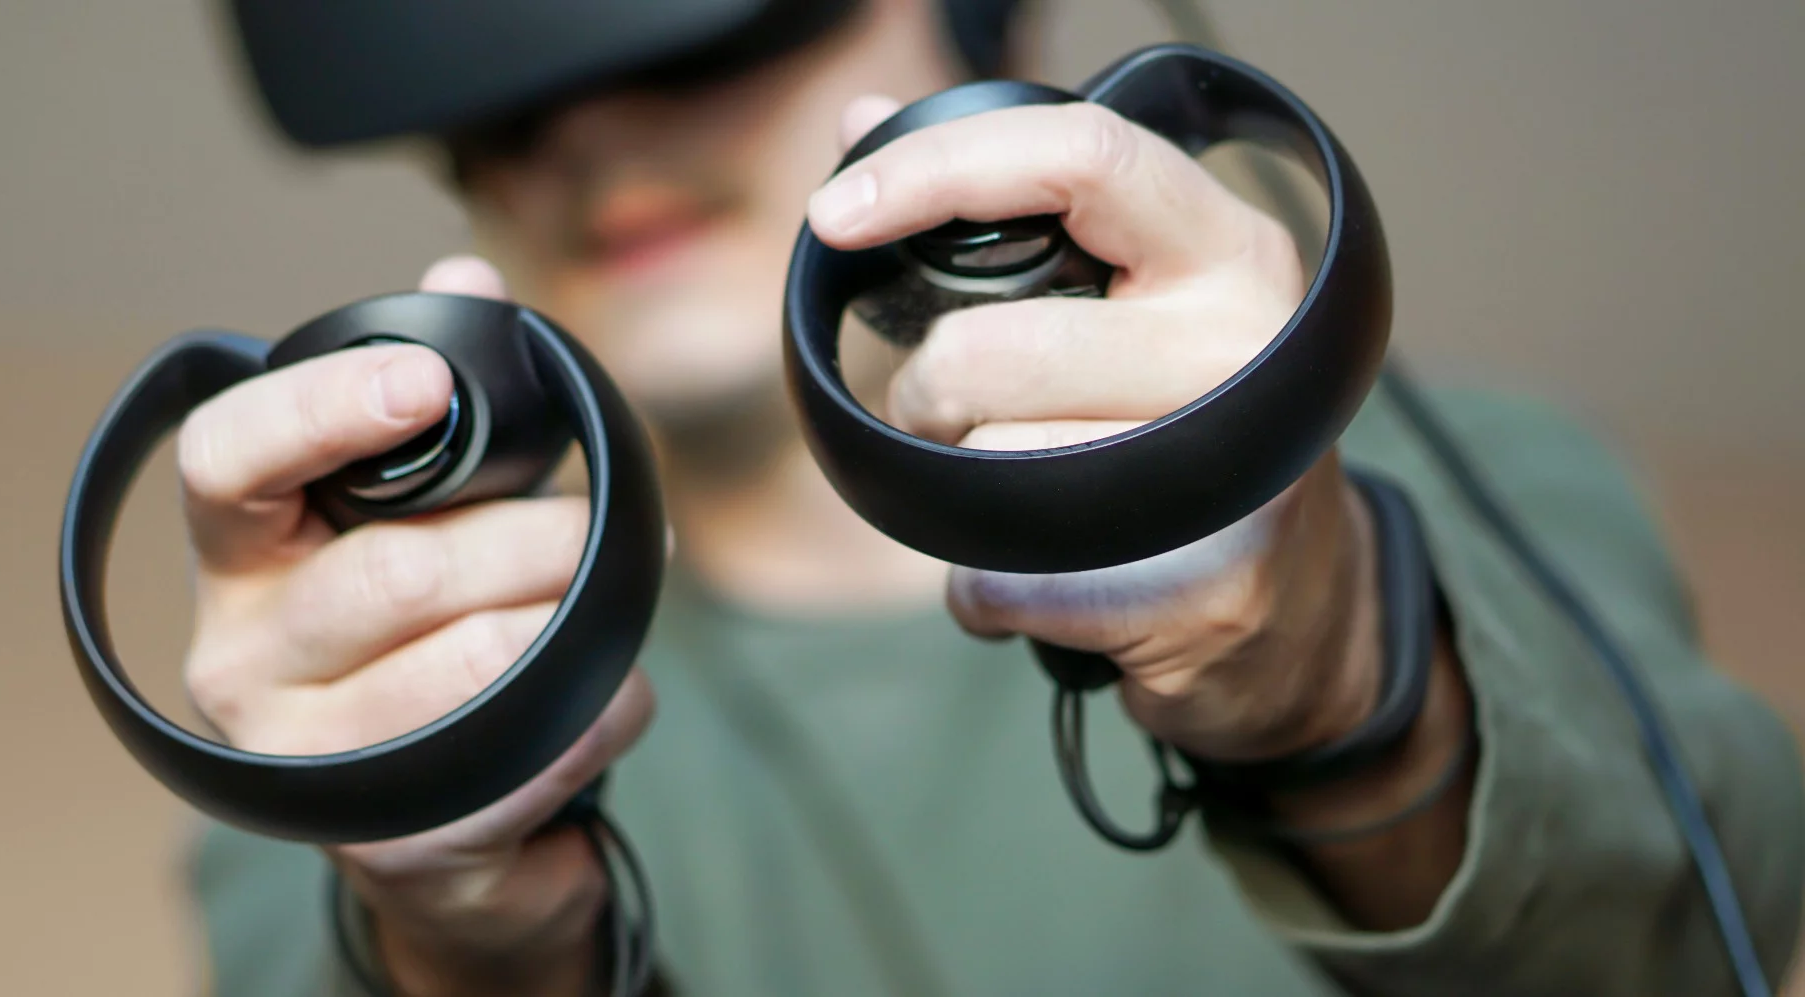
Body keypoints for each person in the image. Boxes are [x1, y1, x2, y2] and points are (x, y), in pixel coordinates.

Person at [178, 0, 1803, 994]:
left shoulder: (1479, 486)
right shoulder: (358, 723)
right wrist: (463, 949)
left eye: (708, 38)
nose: (588, 140)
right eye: (492, 108)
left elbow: (1688, 928)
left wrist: (1345, 667)